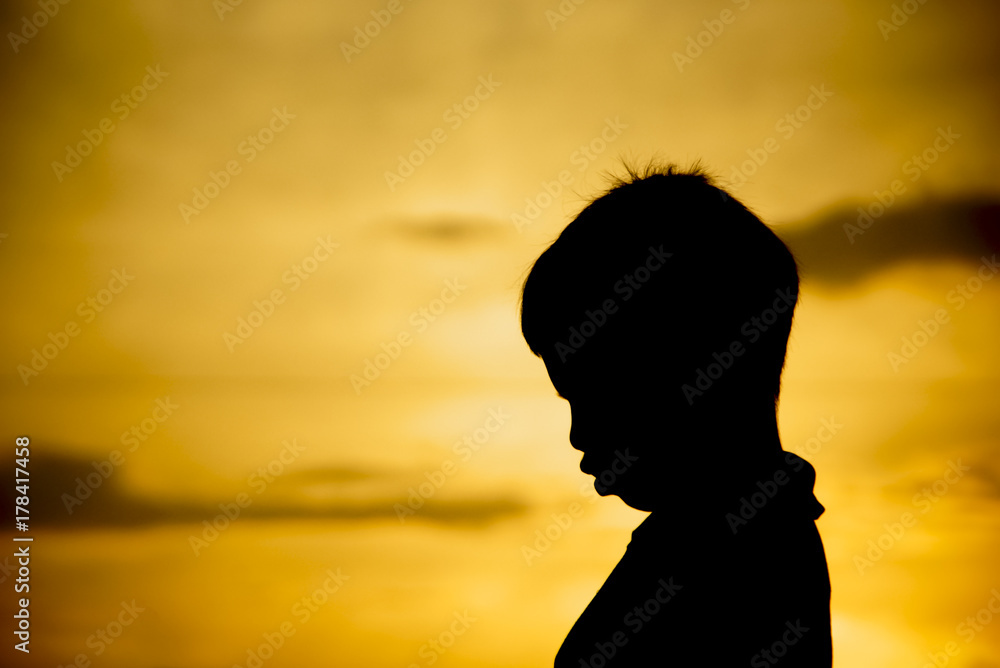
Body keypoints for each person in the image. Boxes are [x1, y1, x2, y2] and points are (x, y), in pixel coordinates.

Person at [519, 163, 833, 666]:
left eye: (595, 396)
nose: (579, 435)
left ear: (677, 369)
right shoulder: (748, 538)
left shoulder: (725, 560)